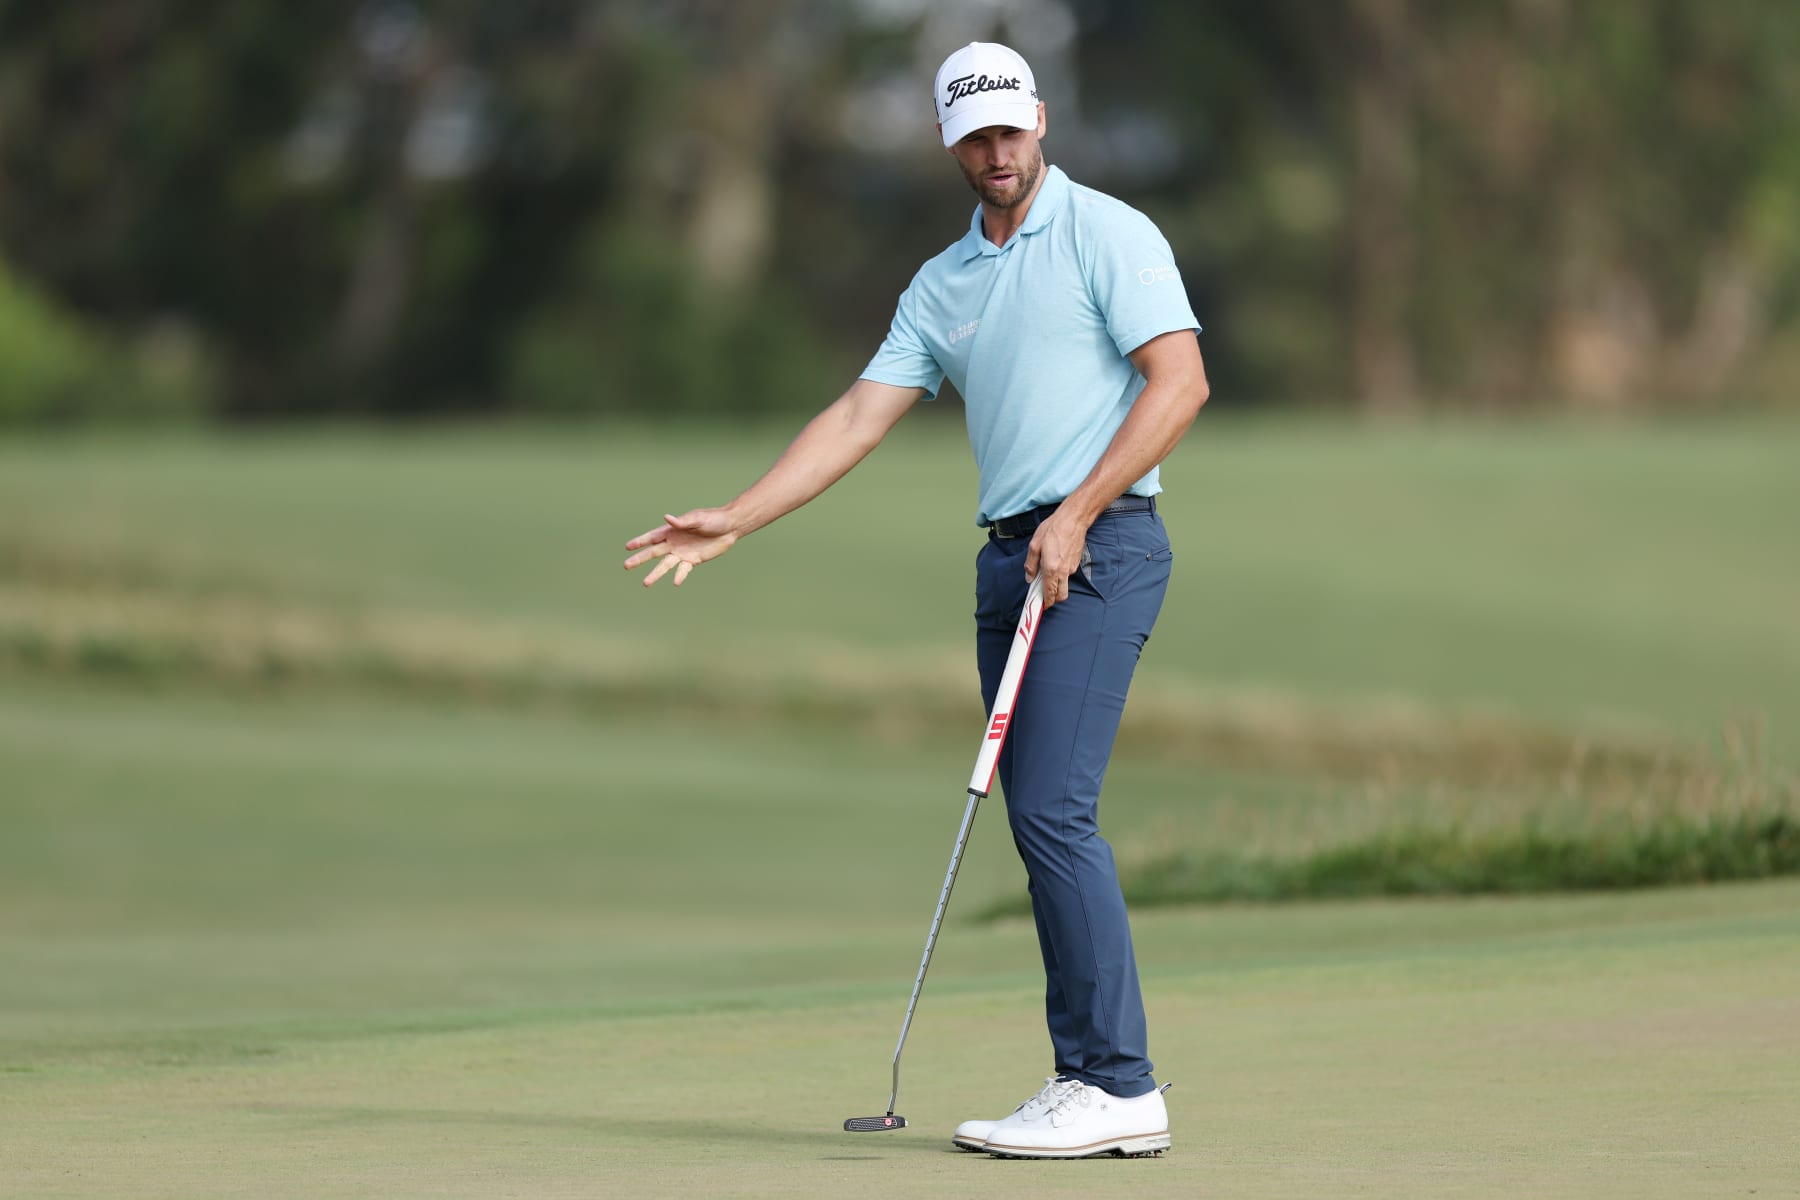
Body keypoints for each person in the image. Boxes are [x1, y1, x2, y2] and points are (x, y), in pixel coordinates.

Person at [624, 40, 1207, 1160]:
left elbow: (1179, 381)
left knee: (1051, 809)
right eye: (974, 138)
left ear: (1041, 118)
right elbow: (857, 416)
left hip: (1102, 549)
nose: (997, 153)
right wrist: (738, 516)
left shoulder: (1109, 233)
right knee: (1039, 818)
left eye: (1010, 129)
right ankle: (1090, 1076)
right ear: (950, 142)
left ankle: (1118, 1083)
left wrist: (1078, 510)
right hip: (1010, 563)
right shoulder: (943, 285)